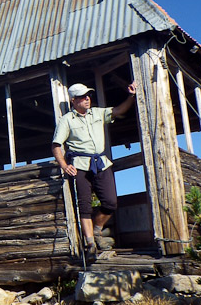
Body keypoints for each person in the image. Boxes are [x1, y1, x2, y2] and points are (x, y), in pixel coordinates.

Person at [51, 81, 137, 260]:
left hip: (101, 163)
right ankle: (90, 244)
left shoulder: (97, 113)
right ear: (73, 100)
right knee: (84, 206)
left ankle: (97, 230)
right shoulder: (67, 120)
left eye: (88, 95)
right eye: (82, 97)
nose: (87, 99)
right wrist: (64, 166)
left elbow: (119, 111)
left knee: (111, 202)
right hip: (80, 166)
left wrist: (131, 96)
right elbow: (56, 145)